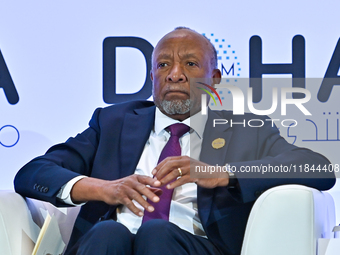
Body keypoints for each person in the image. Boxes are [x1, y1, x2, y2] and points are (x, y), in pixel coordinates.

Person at [14, 27, 335, 255]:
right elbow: (33, 172)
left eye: (191, 64)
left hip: (196, 245)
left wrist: (223, 173)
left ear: (215, 79)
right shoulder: (112, 122)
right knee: (110, 231)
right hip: (107, 243)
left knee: (157, 233)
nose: (175, 74)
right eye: (163, 64)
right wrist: (103, 188)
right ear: (152, 77)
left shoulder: (246, 128)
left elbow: (317, 167)